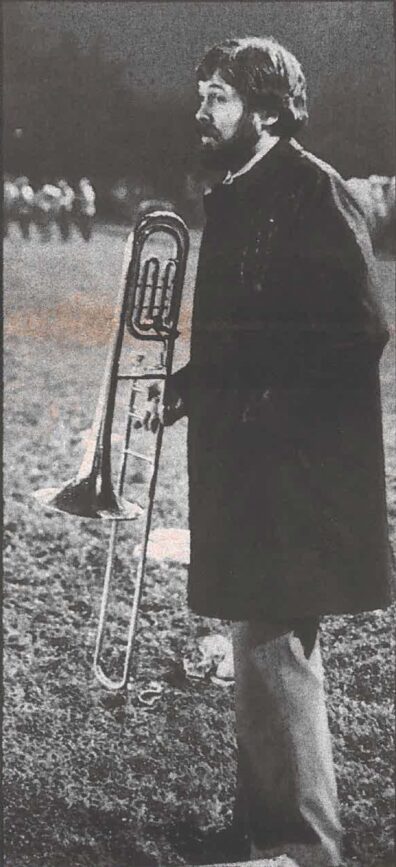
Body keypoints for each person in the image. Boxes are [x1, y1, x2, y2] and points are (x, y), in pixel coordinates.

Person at [145, 37, 393, 867]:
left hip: (297, 473)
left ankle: (306, 848)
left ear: (271, 110)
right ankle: (259, 828)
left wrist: (263, 406)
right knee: (259, 643)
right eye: (203, 93)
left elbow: (359, 330)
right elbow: (256, 333)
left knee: (280, 649)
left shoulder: (314, 191)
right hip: (256, 462)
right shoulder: (246, 192)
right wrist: (194, 382)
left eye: (218, 96)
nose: (201, 110)